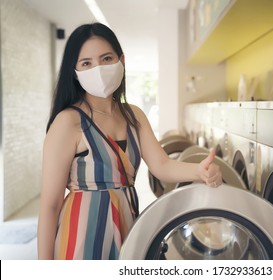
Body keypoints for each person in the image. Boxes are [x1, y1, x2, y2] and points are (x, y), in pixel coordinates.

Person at [37, 22, 222, 260]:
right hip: (81, 235)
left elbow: (162, 166)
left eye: (106, 59)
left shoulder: (133, 115)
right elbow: (50, 205)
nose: (98, 69)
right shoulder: (68, 121)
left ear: (121, 61)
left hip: (128, 224)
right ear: (75, 71)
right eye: (86, 63)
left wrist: (200, 170)